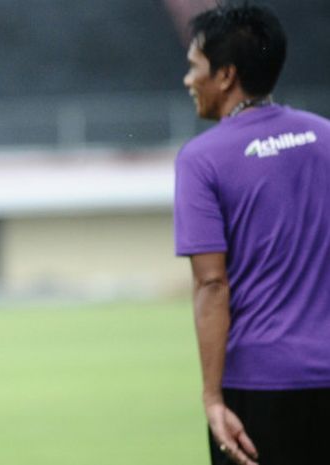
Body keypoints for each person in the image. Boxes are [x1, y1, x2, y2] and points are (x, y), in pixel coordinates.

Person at [174, 3, 330, 465]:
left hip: (259, 384)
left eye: (193, 66)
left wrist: (212, 399)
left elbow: (211, 283)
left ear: (224, 76)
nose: (187, 80)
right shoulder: (326, 138)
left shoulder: (202, 159)